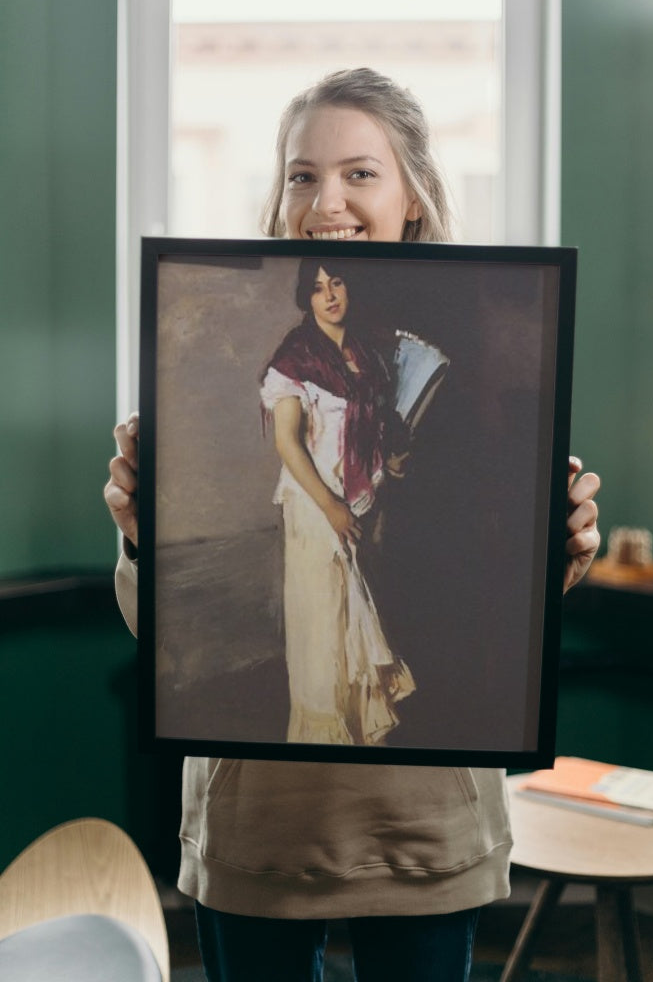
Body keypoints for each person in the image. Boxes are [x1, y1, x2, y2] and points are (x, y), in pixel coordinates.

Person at [105, 67, 601, 982]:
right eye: (301, 174)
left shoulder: (477, 342)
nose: (324, 199)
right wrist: (142, 537)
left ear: (412, 194)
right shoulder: (277, 353)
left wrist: (554, 555)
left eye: (359, 173)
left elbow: (491, 583)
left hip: (424, 822)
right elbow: (160, 628)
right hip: (260, 824)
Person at [259, 257, 415, 745]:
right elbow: (288, 442)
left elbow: (373, 433)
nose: (329, 295)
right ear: (306, 297)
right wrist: (330, 506)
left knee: (358, 633)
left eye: (337, 283)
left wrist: (392, 462)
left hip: (362, 510)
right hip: (315, 509)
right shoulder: (294, 358)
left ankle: (364, 749)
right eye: (318, 287)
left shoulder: (367, 356)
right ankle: (321, 753)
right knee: (324, 635)